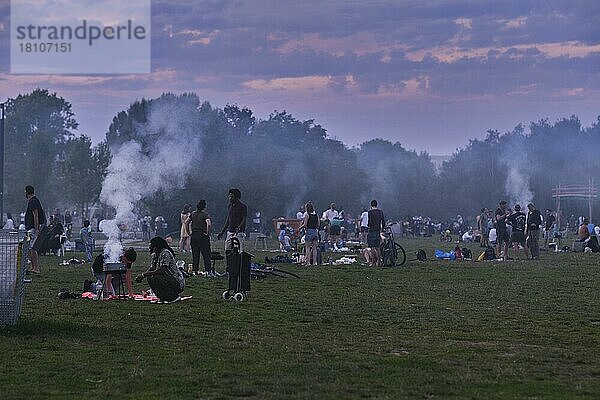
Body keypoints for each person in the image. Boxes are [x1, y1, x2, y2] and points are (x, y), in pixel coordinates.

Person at [135, 237, 185, 302]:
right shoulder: (155, 255)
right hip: (167, 279)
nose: (149, 248)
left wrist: (144, 275)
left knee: (157, 276)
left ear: (155, 247)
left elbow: (162, 270)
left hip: (176, 282)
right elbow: (152, 268)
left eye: (151, 246)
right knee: (150, 277)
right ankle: (163, 297)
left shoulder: (165, 253)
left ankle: (174, 297)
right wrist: (142, 276)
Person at [186, 200, 213, 275]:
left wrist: (189, 232)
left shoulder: (193, 214)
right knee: (206, 254)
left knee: (195, 254)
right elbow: (209, 224)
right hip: (202, 235)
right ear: (204, 206)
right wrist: (207, 233)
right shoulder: (205, 214)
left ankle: (195, 270)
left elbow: (186, 222)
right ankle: (208, 270)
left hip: (194, 235)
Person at [25, 185, 46, 274]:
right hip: (31, 228)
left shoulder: (33, 201)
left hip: (33, 229)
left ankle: (36, 268)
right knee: (30, 248)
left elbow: (36, 215)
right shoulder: (34, 200)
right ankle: (33, 267)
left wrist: (37, 228)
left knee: (33, 248)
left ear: (27, 192)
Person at [366, 200, 385, 266]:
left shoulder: (370, 212)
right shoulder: (380, 212)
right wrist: (382, 228)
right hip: (378, 230)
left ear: (371, 205)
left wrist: (368, 225)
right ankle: (379, 261)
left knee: (372, 247)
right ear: (377, 205)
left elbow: (370, 221)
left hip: (372, 230)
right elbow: (383, 221)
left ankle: (373, 262)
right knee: (377, 247)